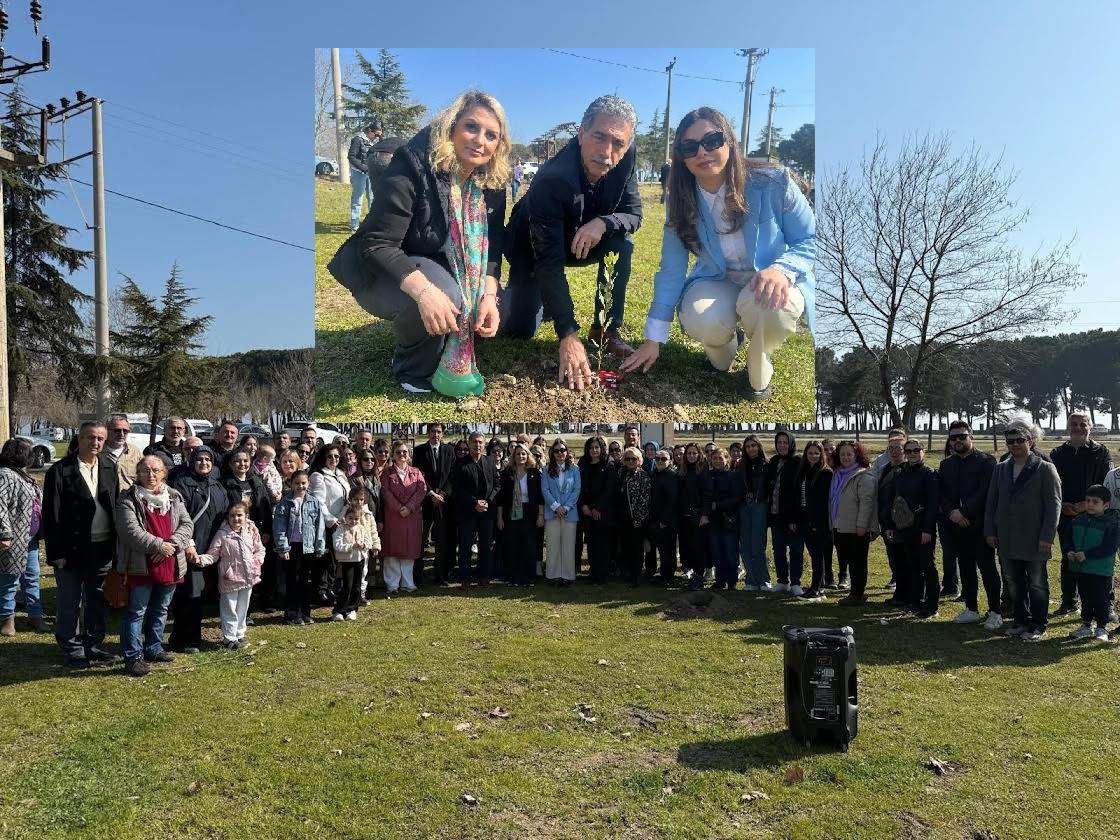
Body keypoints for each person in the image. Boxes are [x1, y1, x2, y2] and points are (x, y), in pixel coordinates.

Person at [621, 106, 815, 401]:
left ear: (730, 143)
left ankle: (758, 369)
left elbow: (811, 239)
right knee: (703, 321)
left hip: (771, 277)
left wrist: (783, 269)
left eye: (712, 140)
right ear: (682, 159)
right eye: (690, 146)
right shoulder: (681, 203)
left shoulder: (775, 183)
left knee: (769, 307)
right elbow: (671, 271)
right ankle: (726, 346)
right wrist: (653, 338)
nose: (702, 152)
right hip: (717, 279)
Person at [346, 90, 509, 395]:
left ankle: (448, 324)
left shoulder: (491, 183)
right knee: (446, 296)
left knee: (501, 307)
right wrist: (425, 293)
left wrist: (489, 296)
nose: (480, 140)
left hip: (439, 262)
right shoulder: (412, 165)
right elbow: (378, 245)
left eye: (491, 135)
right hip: (382, 269)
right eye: (471, 127)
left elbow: (493, 247)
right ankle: (412, 366)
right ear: (452, 127)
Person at [502, 94, 644, 386]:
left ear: (627, 145)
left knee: (622, 244)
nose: (607, 151)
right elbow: (548, 259)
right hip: (532, 246)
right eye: (599, 137)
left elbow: (633, 215)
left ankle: (606, 330)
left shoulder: (625, 160)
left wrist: (603, 222)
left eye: (618, 143)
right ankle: (514, 295)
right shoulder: (551, 179)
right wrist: (567, 333)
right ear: (581, 135)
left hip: (583, 239)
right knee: (521, 329)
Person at [43, 421, 119, 667]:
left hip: (103, 547)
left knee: (98, 601)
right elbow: (51, 515)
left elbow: (115, 504)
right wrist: (56, 552)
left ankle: (93, 645)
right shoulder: (60, 470)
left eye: (99, 438)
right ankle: (72, 648)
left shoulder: (109, 466)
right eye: (89, 438)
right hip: (71, 549)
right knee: (70, 602)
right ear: (79, 438)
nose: (94, 443)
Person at [114, 456, 194, 676]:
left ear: (164, 473)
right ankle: (133, 656)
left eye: (156, 470)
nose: (151, 475)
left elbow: (187, 524)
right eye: (146, 471)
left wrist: (173, 545)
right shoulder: (128, 499)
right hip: (141, 564)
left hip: (170, 562)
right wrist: (159, 545)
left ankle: (153, 647)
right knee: (137, 611)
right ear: (137, 474)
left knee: (161, 609)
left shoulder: (174, 496)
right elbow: (129, 531)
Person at [985, 422, 1063, 641]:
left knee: (1037, 582)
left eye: (1020, 440)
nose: (1016, 444)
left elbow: (1054, 505)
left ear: (1031, 441)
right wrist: (990, 531)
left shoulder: (1045, 469)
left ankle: (1038, 624)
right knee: (1013, 581)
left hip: (1035, 538)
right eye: (1011, 441)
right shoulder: (1000, 469)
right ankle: (1021, 620)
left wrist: (1047, 536)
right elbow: (992, 502)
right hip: (1007, 538)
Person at [939, 422, 1001, 630]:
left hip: (981, 525)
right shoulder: (947, 464)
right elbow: (944, 495)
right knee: (965, 568)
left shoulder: (987, 462)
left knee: (988, 569)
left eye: (962, 436)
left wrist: (964, 513)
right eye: (953, 437)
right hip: (957, 526)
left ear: (971, 437)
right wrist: (952, 513)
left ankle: (995, 611)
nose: (957, 441)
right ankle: (971, 608)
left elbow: (985, 493)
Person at [1050, 414, 1113, 617]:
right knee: (1069, 557)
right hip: (1067, 515)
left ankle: (1106, 604)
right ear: (1068, 427)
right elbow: (1052, 484)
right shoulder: (1057, 453)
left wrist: (1084, 505)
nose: (1078, 428)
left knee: (1100, 559)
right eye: (1074, 424)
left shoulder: (1101, 452)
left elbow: (1105, 484)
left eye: (1082, 424)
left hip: (1095, 516)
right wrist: (1065, 505)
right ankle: (1069, 601)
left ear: (1090, 427)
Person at [169, 446, 228, 653]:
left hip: (213, 549)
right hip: (191, 548)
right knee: (190, 596)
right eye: (200, 460)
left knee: (202, 594)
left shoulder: (218, 487)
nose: (204, 463)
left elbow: (225, 517)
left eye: (208, 460)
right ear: (192, 461)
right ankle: (185, 640)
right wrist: (188, 544)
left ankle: (189, 638)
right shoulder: (182, 484)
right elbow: (177, 516)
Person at [194, 501, 265, 648]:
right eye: (232, 515)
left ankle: (240, 634)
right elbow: (213, 554)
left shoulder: (251, 532)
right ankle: (229, 638)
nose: (236, 519)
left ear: (246, 516)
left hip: (248, 577)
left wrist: (256, 562)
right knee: (229, 609)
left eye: (239, 515)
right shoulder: (223, 534)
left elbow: (259, 549)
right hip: (230, 578)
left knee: (242, 607)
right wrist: (200, 560)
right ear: (228, 517)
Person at [884, 440, 941, 619]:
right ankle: (915, 601)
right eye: (908, 451)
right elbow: (896, 502)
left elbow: (933, 505)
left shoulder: (929, 474)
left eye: (916, 450)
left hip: (923, 528)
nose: (912, 454)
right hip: (905, 528)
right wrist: (892, 525)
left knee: (927, 566)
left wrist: (928, 530)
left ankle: (932, 605)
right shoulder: (900, 473)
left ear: (923, 452)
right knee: (912, 566)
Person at [0, 438, 43, 637]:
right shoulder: (5, 475)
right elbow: (0, 507)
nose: (31, 455)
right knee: (10, 580)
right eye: (27, 451)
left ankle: (35, 616)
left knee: (32, 578)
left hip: (30, 538)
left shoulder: (23, 475)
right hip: (13, 539)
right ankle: (7, 619)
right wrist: (4, 533)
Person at [1065, 485, 1119, 641]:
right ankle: (1086, 624)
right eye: (1087, 501)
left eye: (1095, 502)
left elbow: (1110, 547)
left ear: (1106, 505)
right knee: (1085, 597)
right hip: (1082, 569)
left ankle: (1102, 627)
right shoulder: (1077, 520)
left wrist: (1087, 555)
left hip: (1101, 570)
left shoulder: (1111, 523)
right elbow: (1068, 539)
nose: (1089, 504)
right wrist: (1069, 551)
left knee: (1101, 598)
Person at [273, 470, 326, 625]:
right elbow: (279, 527)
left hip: (308, 546)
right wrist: (283, 548)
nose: (300, 486)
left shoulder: (313, 502)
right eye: (297, 483)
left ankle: (305, 612)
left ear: (308, 484)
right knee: (292, 580)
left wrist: (319, 546)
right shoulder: (285, 503)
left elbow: (319, 526)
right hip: (292, 547)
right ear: (291, 484)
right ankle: (291, 613)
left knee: (306, 580)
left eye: (303, 483)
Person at [829, 441, 877, 606]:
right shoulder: (837, 474)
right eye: (842, 454)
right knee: (848, 559)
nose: (846, 457)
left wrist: (862, 525)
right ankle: (855, 593)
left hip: (856, 527)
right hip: (840, 525)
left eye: (849, 454)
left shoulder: (863, 475)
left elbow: (867, 502)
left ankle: (857, 594)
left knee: (858, 562)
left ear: (857, 455)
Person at [381, 440, 427, 595]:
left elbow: (421, 490)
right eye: (398, 452)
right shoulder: (386, 474)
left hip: (411, 517)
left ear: (409, 455)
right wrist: (399, 508)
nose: (402, 454)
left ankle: (408, 582)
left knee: (409, 550)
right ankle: (392, 584)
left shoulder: (417, 472)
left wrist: (410, 507)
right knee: (392, 551)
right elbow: (385, 492)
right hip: (393, 516)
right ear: (393, 455)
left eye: (405, 452)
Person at [413, 422, 456, 587]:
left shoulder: (450, 451)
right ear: (428, 433)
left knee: (441, 542)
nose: (435, 435)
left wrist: (442, 494)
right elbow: (419, 476)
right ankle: (417, 577)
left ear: (442, 434)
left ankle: (440, 576)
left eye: (438, 432)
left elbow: (452, 476)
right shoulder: (419, 451)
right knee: (421, 541)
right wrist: (431, 493)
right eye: (432, 431)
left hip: (443, 503)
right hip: (425, 501)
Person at [497, 442, 544, 586]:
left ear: (528, 455)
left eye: (523, 453)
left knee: (529, 546)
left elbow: (540, 497)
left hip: (530, 514)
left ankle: (529, 578)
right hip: (511, 514)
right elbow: (501, 498)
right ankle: (513, 578)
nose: (521, 456)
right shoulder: (507, 473)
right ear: (513, 456)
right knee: (512, 546)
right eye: (518, 454)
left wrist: (540, 515)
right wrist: (499, 518)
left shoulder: (534, 473)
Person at [308, 444, 351, 604]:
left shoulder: (341, 474)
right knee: (324, 560)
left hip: (342, 522)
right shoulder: (319, 476)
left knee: (334, 559)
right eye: (330, 456)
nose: (334, 459)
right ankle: (320, 591)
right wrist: (331, 521)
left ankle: (330, 589)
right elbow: (319, 502)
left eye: (337, 456)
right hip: (326, 525)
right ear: (323, 458)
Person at [765, 430, 804, 594]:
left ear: (791, 444)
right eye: (779, 442)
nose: (782, 445)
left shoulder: (798, 462)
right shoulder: (773, 462)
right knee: (778, 549)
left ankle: (795, 582)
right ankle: (782, 581)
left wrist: (795, 516)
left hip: (793, 516)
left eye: (785, 442)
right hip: (775, 515)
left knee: (796, 549)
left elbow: (799, 491)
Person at [793, 441, 833, 600]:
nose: (813, 456)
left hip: (818, 521)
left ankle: (816, 588)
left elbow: (824, 501)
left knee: (818, 555)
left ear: (821, 454)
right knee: (814, 554)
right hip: (804, 518)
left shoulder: (825, 473)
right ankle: (818, 586)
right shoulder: (803, 471)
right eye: (810, 453)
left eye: (817, 453)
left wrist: (817, 522)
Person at [702, 447, 743, 590]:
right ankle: (720, 581)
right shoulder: (708, 475)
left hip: (729, 519)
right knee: (717, 552)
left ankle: (731, 581)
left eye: (721, 458)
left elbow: (737, 497)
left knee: (730, 552)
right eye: (715, 458)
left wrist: (718, 505)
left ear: (727, 459)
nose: (718, 461)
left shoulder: (732, 476)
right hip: (713, 520)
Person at [541, 438, 580, 585]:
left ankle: (568, 576)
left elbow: (576, 490)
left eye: (562, 450)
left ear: (567, 451)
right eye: (556, 451)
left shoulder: (575, 469)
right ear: (552, 453)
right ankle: (553, 576)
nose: (560, 453)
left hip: (570, 513)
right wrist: (556, 506)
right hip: (552, 513)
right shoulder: (546, 469)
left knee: (568, 546)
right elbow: (545, 490)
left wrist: (566, 507)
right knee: (552, 545)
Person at [578, 436, 615, 584]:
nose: (594, 450)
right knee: (591, 543)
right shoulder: (582, 463)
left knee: (603, 545)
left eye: (597, 447)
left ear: (602, 449)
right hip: (587, 511)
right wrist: (585, 506)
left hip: (603, 512)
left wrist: (597, 508)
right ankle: (593, 572)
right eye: (591, 447)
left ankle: (602, 574)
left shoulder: (609, 464)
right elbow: (578, 486)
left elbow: (609, 489)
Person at [331, 503, 379, 618]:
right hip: (347, 561)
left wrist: (364, 545)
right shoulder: (341, 529)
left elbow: (368, 541)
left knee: (357, 586)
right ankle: (339, 610)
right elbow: (337, 545)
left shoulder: (362, 528)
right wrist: (352, 546)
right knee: (347, 585)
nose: (353, 521)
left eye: (356, 519)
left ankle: (352, 609)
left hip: (360, 560)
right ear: (345, 517)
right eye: (350, 518)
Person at [737, 435, 771, 591]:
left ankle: (763, 580)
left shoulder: (766, 465)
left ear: (759, 447)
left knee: (757, 544)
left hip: (759, 505)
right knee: (745, 545)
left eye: (753, 445)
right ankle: (750, 580)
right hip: (744, 506)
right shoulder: (740, 465)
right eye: (748, 446)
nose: (751, 449)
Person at [876, 435, 907, 598]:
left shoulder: (906, 470)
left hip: (899, 522)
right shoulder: (885, 468)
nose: (894, 451)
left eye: (898, 448)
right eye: (891, 448)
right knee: (892, 553)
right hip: (885, 519)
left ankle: (903, 588)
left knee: (902, 556)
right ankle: (897, 580)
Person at [615, 446, 650, 586]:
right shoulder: (621, 473)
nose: (630, 461)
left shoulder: (643, 476)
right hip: (622, 517)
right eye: (628, 459)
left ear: (639, 460)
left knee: (636, 548)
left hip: (636, 519)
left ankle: (636, 575)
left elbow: (644, 499)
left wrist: (639, 519)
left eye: (633, 459)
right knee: (625, 547)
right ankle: (627, 572)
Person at [679, 443, 708, 590]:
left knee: (698, 549)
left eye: (694, 453)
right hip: (684, 516)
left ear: (699, 455)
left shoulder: (703, 471)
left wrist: (704, 514)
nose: (691, 456)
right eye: (689, 453)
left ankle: (698, 578)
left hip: (698, 516)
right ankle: (692, 578)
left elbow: (706, 494)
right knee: (688, 548)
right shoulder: (682, 470)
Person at [649, 449, 679, 585]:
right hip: (656, 520)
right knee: (662, 550)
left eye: (663, 459)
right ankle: (664, 575)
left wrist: (664, 521)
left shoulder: (671, 476)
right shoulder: (655, 474)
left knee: (669, 552)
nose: (660, 461)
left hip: (668, 522)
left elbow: (672, 501)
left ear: (670, 461)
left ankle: (669, 578)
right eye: (657, 459)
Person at [348, 120, 383, 230]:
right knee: (357, 199)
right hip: (359, 173)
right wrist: (364, 168)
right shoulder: (357, 139)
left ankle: (371, 223)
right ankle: (354, 224)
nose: (377, 137)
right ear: (370, 131)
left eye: (379, 136)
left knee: (372, 199)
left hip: (370, 173)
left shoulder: (375, 143)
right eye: (376, 135)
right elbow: (351, 157)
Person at [104, 414, 144, 490]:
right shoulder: (99, 451)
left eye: (125, 431)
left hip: (129, 498)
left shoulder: (135, 451)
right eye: (117, 430)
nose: (122, 434)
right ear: (107, 430)